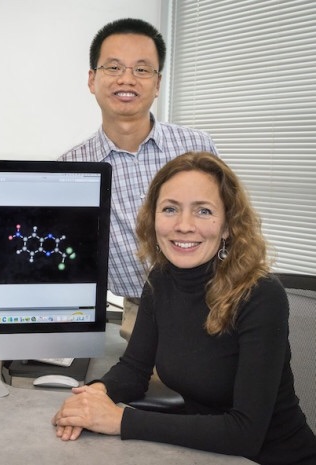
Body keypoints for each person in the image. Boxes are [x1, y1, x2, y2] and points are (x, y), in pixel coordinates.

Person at [52, 152, 316, 464]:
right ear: (153, 218)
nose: (184, 225)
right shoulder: (161, 278)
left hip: (275, 458)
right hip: (204, 453)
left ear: (229, 225)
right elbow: (134, 370)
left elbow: (245, 432)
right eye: (170, 209)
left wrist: (119, 420)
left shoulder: (260, 295)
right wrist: (96, 396)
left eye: (203, 211)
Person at [59, 18, 218, 340]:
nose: (127, 79)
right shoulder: (71, 167)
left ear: (158, 83)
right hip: (134, 314)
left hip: (209, 305)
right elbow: (69, 259)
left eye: (142, 70)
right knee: (132, 388)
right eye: (113, 68)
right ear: (92, 79)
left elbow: (234, 227)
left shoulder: (196, 147)